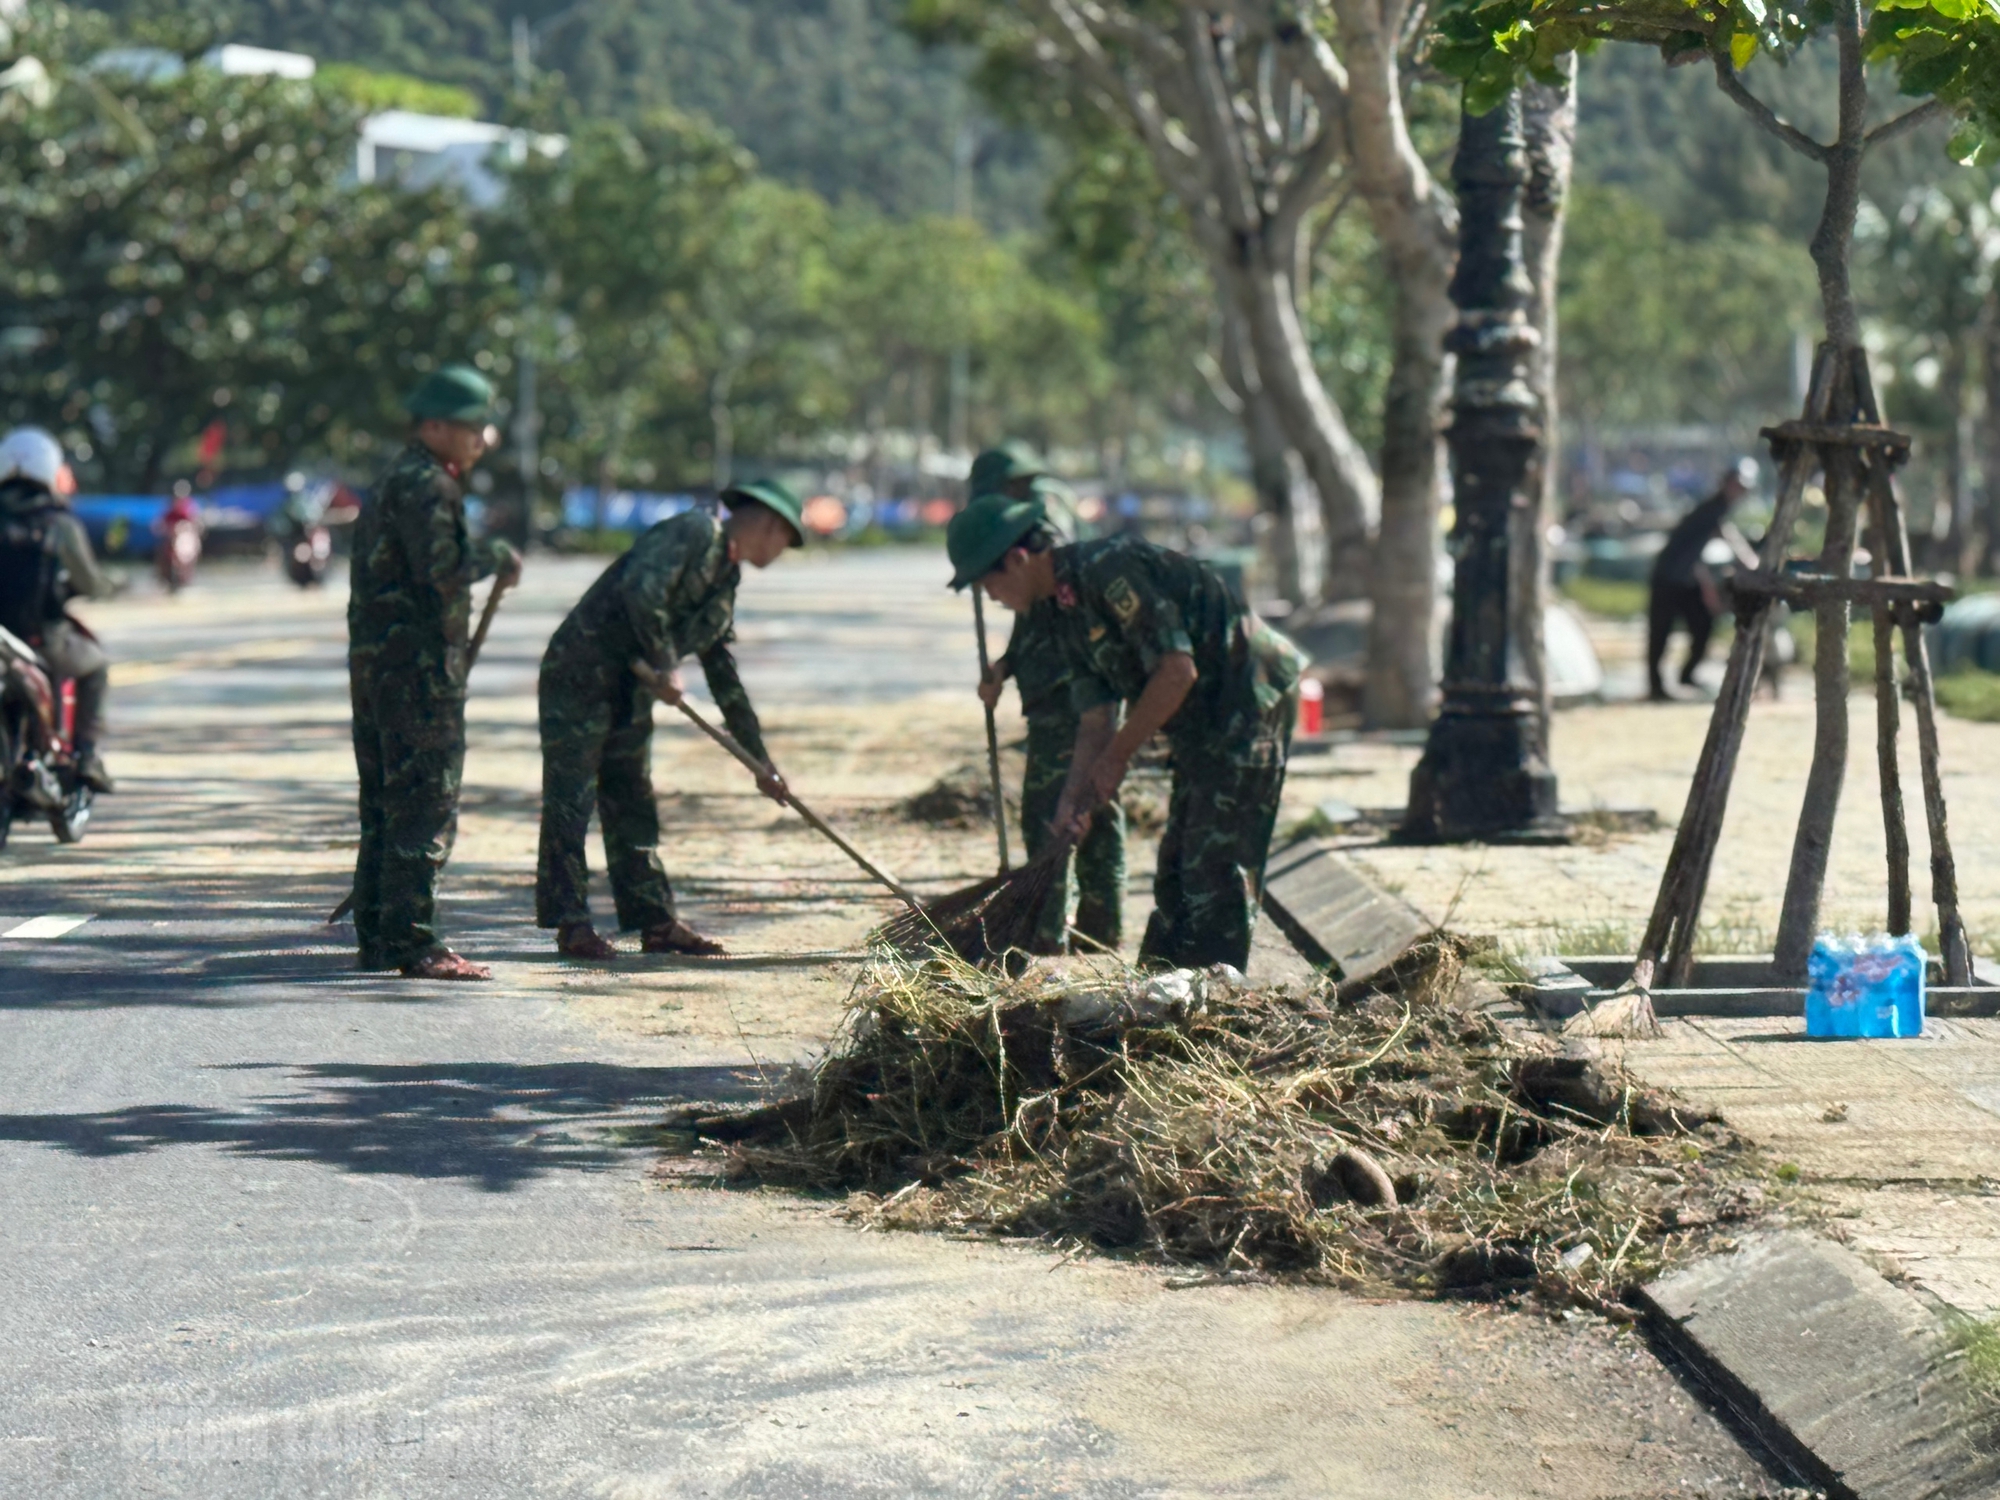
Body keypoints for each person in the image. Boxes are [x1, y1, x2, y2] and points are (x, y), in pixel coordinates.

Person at [948, 494, 1306, 971]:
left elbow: (1177, 671)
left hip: (1247, 698)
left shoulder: (1107, 572)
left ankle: (1218, 997)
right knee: (1177, 867)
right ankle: (1166, 986)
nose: (991, 598)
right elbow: (1096, 717)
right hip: (1197, 720)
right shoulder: (1057, 611)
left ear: (1017, 560)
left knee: (1214, 866)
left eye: (988, 585)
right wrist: (1074, 800)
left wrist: (1117, 758)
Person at [535, 480, 802, 960]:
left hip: (631, 687)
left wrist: (761, 762)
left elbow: (723, 674)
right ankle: (571, 923)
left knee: (632, 796)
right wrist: (664, 660)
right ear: (769, 524)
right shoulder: (694, 533)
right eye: (788, 539)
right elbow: (643, 589)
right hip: (582, 674)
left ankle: (654, 920)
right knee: (572, 799)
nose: (784, 551)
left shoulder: (726, 579)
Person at [347, 365, 522, 981]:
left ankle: (378, 934)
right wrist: (494, 556)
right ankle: (415, 941)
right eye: (472, 426)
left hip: (377, 672)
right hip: (418, 675)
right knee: (423, 805)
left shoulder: (395, 479)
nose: (482, 438)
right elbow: (441, 570)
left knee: (384, 804)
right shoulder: (429, 487)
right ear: (435, 426)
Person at [968, 444, 1125, 955]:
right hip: (1070, 682)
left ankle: (1045, 935)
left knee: (1052, 807)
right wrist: (1007, 666)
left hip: (1070, 692)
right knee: (1093, 802)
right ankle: (1100, 928)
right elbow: (1027, 614)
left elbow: (1048, 609)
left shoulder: (1039, 524)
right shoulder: (1040, 516)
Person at [0, 426, 117, 792]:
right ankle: (85, 754)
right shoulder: (59, 524)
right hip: (44, 641)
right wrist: (106, 586)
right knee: (96, 665)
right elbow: (89, 582)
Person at [1647, 458, 1760, 701]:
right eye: (1735, 484)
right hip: (1668, 578)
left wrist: (1751, 563)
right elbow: (1715, 545)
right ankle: (1656, 687)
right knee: (1661, 632)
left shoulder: (1718, 510)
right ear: (1725, 483)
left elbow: (1724, 540)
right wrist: (1709, 587)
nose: (1739, 491)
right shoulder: (1712, 509)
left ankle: (1686, 676)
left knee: (1703, 624)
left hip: (1685, 579)